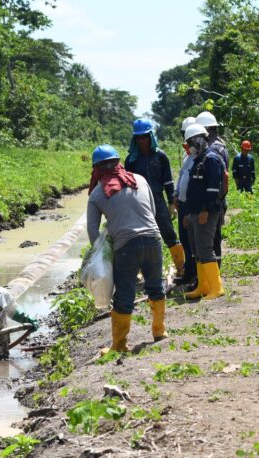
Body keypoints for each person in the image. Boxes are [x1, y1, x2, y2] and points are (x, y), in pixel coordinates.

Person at [87, 144, 167, 354]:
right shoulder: (139, 179)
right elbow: (153, 208)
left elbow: (92, 231)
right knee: (155, 286)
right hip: (153, 239)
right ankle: (159, 331)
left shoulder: (96, 194)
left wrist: (102, 255)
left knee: (124, 295)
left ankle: (119, 345)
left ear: (96, 169)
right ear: (118, 162)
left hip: (125, 246)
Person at [124, 119, 185, 278]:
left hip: (158, 200)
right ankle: (139, 271)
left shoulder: (160, 156)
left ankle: (181, 267)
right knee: (138, 236)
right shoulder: (131, 160)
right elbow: (127, 185)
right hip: (138, 202)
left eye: (144, 137)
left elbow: (168, 181)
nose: (141, 140)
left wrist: (171, 203)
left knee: (168, 233)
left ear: (150, 136)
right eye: (138, 138)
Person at [183, 124, 225, 300]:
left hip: (206, 212)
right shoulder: (198, 160)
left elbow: (213, 189)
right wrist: (188, 213)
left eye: (191, 142)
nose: (189, 147)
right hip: (194, 212)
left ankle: (216, 288)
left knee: (205, 249)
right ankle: (203, 286)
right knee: (197, 250)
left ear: (199, 140)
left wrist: (205, 210)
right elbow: (193, 189)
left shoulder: (211, 159)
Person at [196, 111, 228, 268]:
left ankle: (215, 271)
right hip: (218, 198)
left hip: (213, 200)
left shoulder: (213, 150)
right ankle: (215, 269)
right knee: (214, 236)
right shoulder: (220, 145)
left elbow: (214, 181)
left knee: (211, 237)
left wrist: (207, 206)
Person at [173, 116, 198, 287]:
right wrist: (175, 194)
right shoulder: (186, 155)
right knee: (184, 239)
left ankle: (195, 275)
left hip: (191, 204)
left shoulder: (201, 156)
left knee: (193, 241)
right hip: (182, 203)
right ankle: (188, 272)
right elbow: (182, 175)